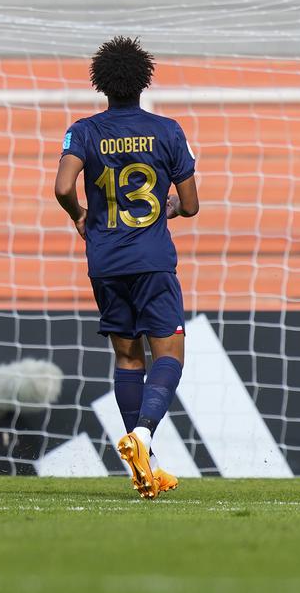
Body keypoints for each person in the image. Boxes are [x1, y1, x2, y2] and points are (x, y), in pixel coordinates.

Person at [54, 36, 199, 499]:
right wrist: (170, 207)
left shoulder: (84, 130)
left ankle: (148, 467)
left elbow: (61, 186)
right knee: (169, 356)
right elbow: (191, 205)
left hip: (105, 261)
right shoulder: (168, 130)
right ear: (144, 80)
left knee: (127, 358)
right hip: (153, 261)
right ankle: (145, 436)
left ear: (101, 84)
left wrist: (79, 215)